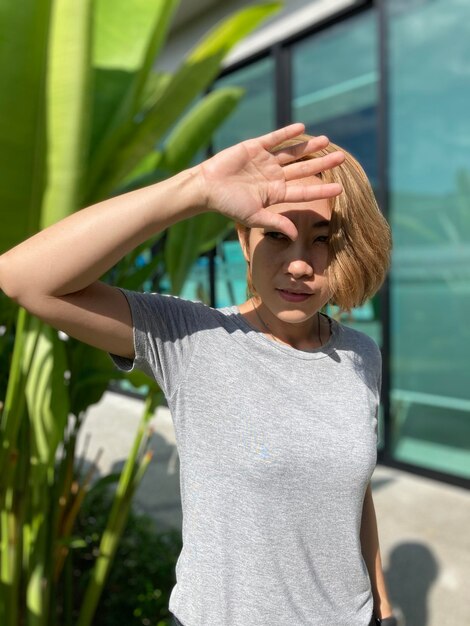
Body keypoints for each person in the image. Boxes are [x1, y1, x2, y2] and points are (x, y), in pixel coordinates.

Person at [0, 123, 398, 626]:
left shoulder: (362, 354)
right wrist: (198, 187)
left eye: (321, 240)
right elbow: (22, 278)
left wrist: (382, 607)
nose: (299, 265)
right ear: (243, 238)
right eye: (277, 235)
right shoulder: (193, 339)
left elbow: (351, 494)